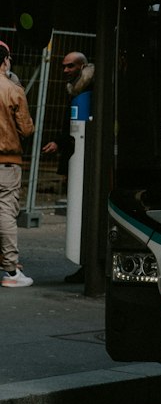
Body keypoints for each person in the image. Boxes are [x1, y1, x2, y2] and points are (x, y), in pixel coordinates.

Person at [42, 50, 94, 283]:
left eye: (70, 66)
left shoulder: (86, 92)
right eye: (63, 66)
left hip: (83, 158)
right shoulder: (77, 90)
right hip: (76, 154)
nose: (65, 71)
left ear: (82, 67)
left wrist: (60, 142)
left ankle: (88, 265)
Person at [0, 39, 36, 288]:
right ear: (5, 60)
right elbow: (27, 128)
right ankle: (11, 272)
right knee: (5, 213)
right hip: (7, 162)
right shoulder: (13, 90)